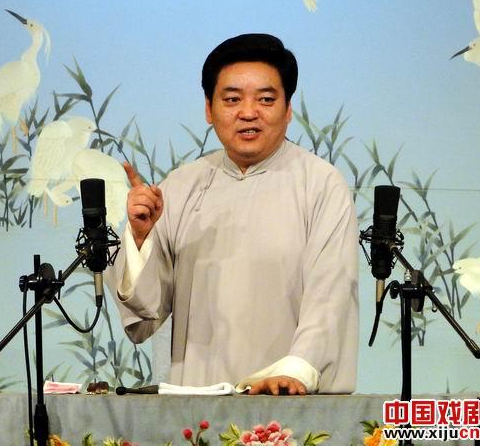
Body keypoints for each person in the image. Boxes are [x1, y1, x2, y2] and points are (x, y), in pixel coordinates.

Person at [107, 33, 359, 395]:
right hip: (198, 404)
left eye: (266, 99)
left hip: (289, 402)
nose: (248, 112)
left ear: (288, 109)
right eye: (232, 99)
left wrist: (295, 372)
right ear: (209, 110)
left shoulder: (320, 184)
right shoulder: (181, 186)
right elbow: (145, 317)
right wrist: (141, 238)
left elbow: (330, 294)